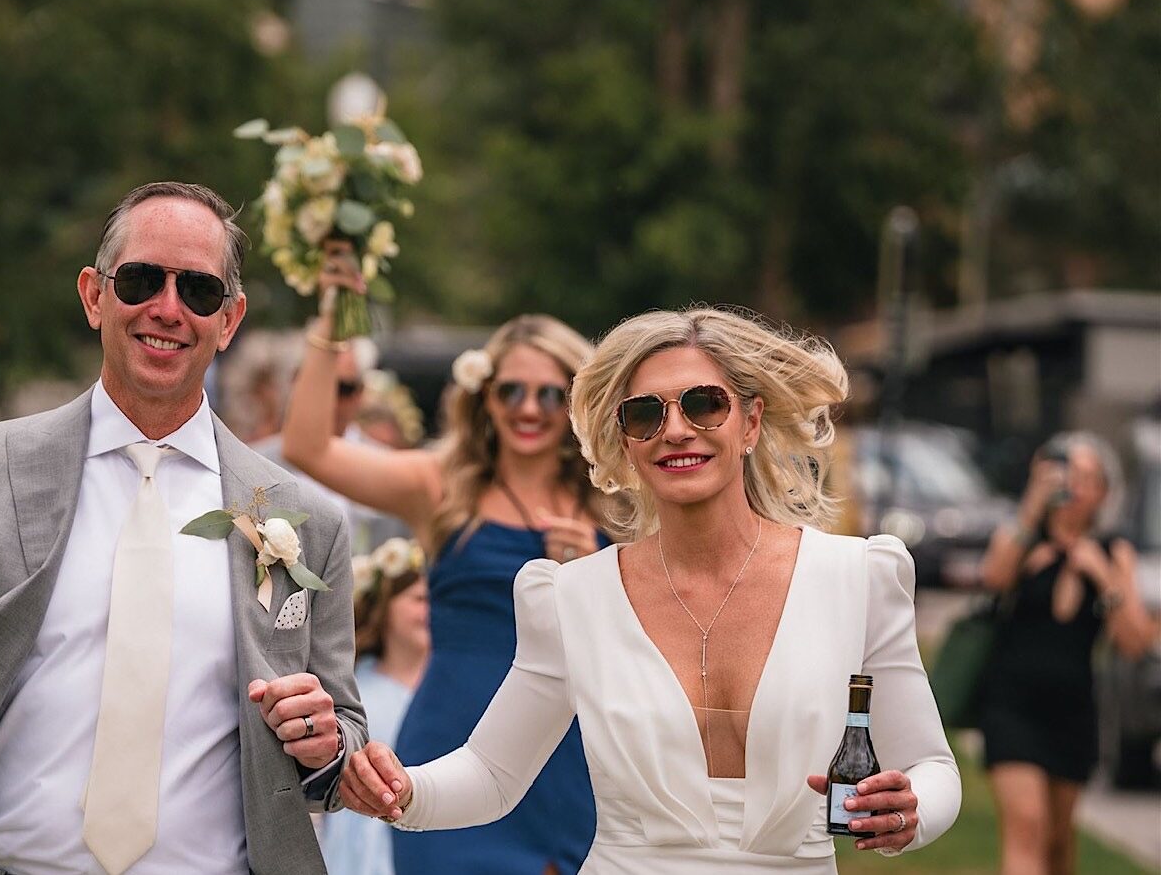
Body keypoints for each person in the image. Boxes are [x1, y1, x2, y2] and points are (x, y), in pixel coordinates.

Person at [0, 182, 366, 875]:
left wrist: (325, 742)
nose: (168, 309)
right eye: (142, 281)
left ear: (230, 320)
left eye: (200, 292)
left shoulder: (302, 521)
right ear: (95, 295)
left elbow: (343, 739)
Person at [341, 307, 964, 872]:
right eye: (646, 413)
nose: (676, 429)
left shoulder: (857, 579)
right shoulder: (572, 597)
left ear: (750, 421)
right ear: (625, 443)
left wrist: (912, 812)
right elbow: (493, 772)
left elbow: (933, 769)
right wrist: (402, 792)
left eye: (704, 405)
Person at [282, 250, 617, 874]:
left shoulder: (616, 502)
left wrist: (594, 571)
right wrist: (332, 320)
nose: (529, 409)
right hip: (452, 743)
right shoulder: (441, 486)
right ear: (484, 394)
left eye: (551, 393)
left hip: (573, 759)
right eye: (512, 389)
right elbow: (308, 447)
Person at [978, 432, 1158, 875]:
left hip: (1073, 712)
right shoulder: (1023, 536)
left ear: (1104, 492)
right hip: (1012, 706)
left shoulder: (1113, 551)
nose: (1074, 486)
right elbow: (995, 577)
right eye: (1066, 474)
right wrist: (1033, 504)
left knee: (1058, 844)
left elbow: (1136, 642)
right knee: (1028, 827)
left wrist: (1102, 578)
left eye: (1087, 478)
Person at [320, 538, 431, 875]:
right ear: (386, 606)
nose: (431, 611)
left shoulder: (451, 689)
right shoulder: (355, 693)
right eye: (419, 600)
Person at [253, 333, 409, 553]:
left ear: (360, 393)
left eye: (343, 388)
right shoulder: (253, 463)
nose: (328, 397)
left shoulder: (391, 467)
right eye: (318, 383)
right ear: (296, 382)